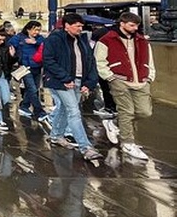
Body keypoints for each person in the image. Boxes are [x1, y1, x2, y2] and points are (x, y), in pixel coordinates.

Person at [93, 12, 155, 161]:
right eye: (132, 25)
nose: (135, 28)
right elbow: (99, 60)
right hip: (119, 80)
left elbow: (150, 60)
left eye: (136, 25)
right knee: (127, 111)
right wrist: (110, 78)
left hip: (140, 80)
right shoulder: (107, 40)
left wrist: (149, 76)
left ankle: (113, 122)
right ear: (122, 23)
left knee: (144, 112)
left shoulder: (142, 41)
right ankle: (127, 142)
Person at [43, 12, 103, 162]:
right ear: (67, 26)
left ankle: (56, 135)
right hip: (61, 82)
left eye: (81, 26)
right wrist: (65, 78)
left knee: (64, 108)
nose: (80, 29)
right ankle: (86, 147)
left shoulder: (82, 40)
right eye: (77, 26)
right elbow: (48, 60)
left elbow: (90, 61)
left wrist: (89, 83)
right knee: (74, 112)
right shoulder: (55, 39)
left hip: (78, 80)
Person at [9, 20, 49, 125]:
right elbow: (9, 44)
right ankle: (39, 111)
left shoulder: (39, 38)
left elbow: (46, 43)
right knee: (32, 89)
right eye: (35, 30)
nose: (36, 32)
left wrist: (35, 42)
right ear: (28, 29)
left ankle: (24, 106)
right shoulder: (19, 38)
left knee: (33, 89)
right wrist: (12, 54)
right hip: (25, 67)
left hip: (37, 67)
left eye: (38, 30)